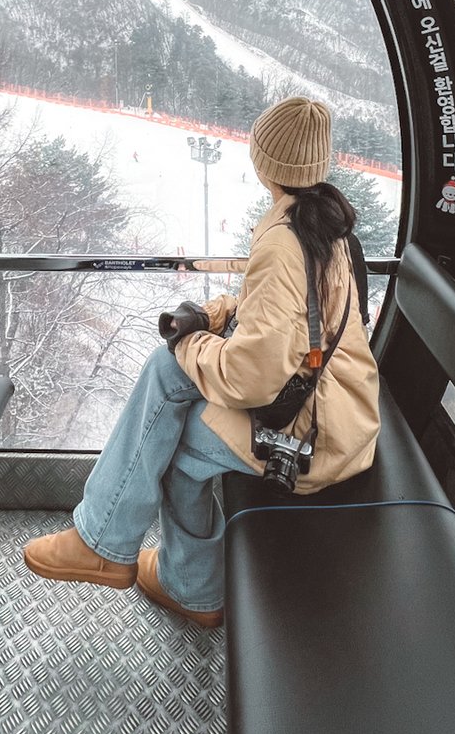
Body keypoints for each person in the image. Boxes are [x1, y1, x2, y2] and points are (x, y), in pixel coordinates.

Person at [23, 97, 381, 627]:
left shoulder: (286, 241)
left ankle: (148, 567)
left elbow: (248, 378)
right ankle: (161, 570)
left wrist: (186, 343)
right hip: (339, 410)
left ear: (264, 162)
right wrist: (213, 317)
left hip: (315, 440)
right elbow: (291, 317)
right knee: (169, 387)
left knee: (174, 436)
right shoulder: (325, 222)